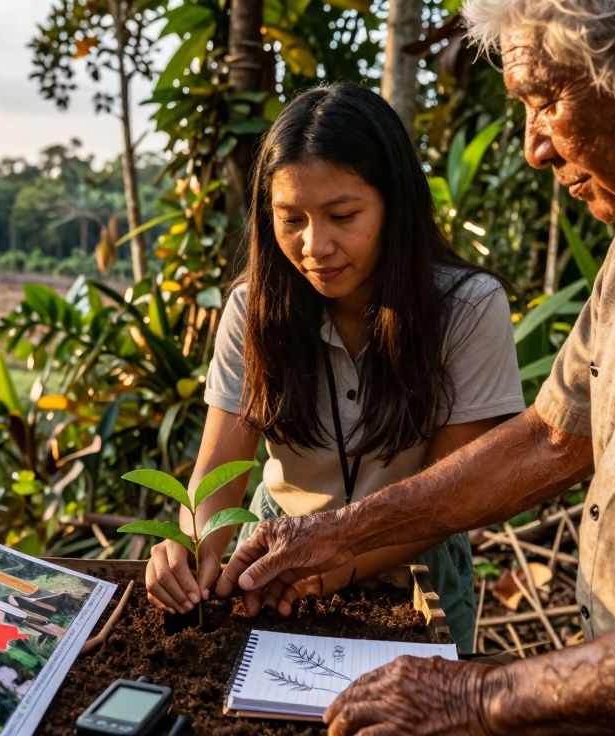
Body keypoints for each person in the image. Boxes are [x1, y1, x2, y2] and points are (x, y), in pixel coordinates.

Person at [215, 0, 615, 733]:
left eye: (545, 98)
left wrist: (481, 696)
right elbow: (553, 438)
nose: (535, 145)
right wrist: (338, 535)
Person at [142, 82, 527, 652]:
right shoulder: (253, 310)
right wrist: (191, 547)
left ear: (395, 205)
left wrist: (328, 564)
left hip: (412, 564)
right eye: (290, 219)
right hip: (270, 566)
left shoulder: (467, 309)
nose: (315, 245)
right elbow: (220, 469)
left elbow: (448, 494)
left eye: (342, 215)